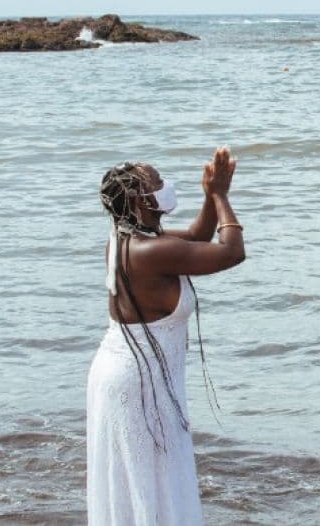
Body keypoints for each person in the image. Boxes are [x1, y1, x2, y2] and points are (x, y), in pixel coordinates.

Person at [87, 147, 245, 526]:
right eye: (156, 183)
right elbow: (231, 251)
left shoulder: (129, 241)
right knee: (152, 478)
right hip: (138, 383)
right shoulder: (150, 252)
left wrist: (208, 196)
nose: (164, 186)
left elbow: (195, 235)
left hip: (127, 373)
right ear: (142, 202)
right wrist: (222, 195)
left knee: (147, 479)